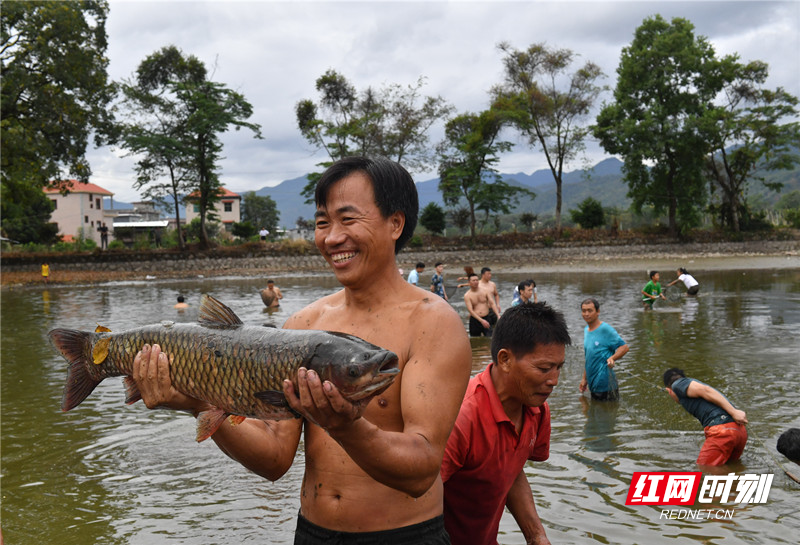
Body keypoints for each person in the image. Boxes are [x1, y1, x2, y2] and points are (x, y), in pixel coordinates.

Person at [132, 156, 471, 543]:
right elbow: (275, 458)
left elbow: (421, 470)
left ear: (395, 223)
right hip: (312, 533)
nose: (331, 237)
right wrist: (198, 402)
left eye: (348, 219)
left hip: (405, 536)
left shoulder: (433, 323)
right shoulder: (303, 325)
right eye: (322, 222)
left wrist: (346, 425)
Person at [442, 302, 570, 545]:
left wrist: (536, 536)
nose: (554, 380)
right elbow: (415, 501)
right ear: (505, 359)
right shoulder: (461, 417)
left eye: (558, 368)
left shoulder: (537, 410)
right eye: (544, 368)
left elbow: (511, 469)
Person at [663, 368, 748, 466]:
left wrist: (734, 412)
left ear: (668, 390)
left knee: (705, 468)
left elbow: (705, 390)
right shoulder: (690, 386)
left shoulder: (678, 384)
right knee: (731, 467)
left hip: (723, 430)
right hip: (739, 431)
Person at [579, 298, 629, 401]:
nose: (586, 314)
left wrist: (612, 358)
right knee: (594, 414)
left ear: (598, 312)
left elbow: (624, 347)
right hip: (592, 384)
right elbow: (589, 357)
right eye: (584, 311)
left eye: (590, 310)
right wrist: (584, 379)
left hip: (606, 384)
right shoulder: (586, 330)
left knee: (606, 415)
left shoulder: (605, 329)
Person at [464, 273, 500, 337]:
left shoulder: (485, 291)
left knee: (490, 338)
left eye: (477, 280)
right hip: (475, 320)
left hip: (486, 317)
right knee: (475, 340)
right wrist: (481, 321)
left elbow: (492, 303)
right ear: (469, 282)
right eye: (473, 280)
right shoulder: (467, 295)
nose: (476, 282)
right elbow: (471, 311)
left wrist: (498, 315)